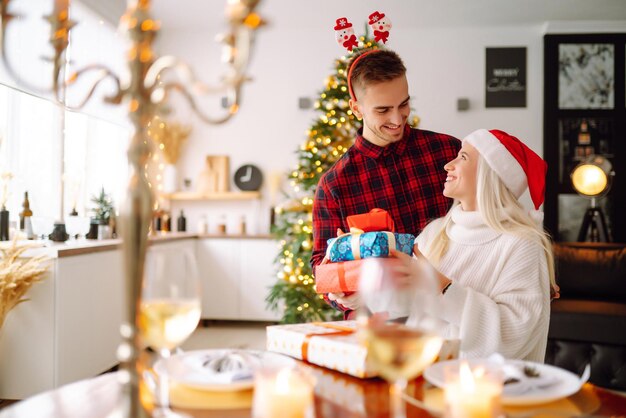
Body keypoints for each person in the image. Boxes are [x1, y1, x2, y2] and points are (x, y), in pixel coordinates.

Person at [311, 49, 461, 315]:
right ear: (356, 108)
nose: (397, 119)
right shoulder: (334, 185)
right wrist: (342, 291)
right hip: (380, 320)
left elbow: (489, 213)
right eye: (383, 110)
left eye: (403, 104)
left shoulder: (447, 151)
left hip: (453, 308)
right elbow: (321, 265)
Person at [393, 128, 556, 362]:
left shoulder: (522, 245)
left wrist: (444, 288)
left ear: (489, 174)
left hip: (487, 392)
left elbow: (512, 337)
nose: (448, 165)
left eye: (463, 157)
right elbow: (399, 310)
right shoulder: (434, 234)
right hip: (422, 379)